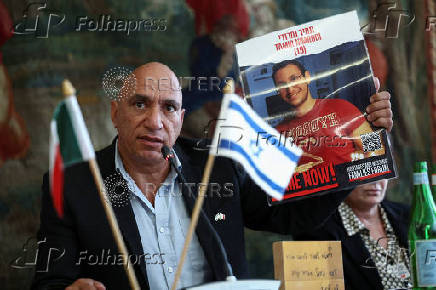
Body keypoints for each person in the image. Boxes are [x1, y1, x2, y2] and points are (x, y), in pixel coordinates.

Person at [32, 62, 393, 290]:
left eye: (169, 108)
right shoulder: (78, 185)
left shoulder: (215, 166)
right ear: (115, 112)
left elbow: (289, 214)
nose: (155, 122)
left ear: (180, 117)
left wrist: (360, 152)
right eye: (140, 104)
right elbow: (49, 281)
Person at [272, 59, 386, 173]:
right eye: (282, 85)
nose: (290, 89)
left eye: (293, 79)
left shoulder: (341, 107)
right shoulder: (277, 133)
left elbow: (377, 148)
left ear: (307, 77)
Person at [295, 179, 411, 290]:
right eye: (363, 172)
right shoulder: (317, 231)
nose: (375, 181)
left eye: (381, 171)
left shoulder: (410, 214)